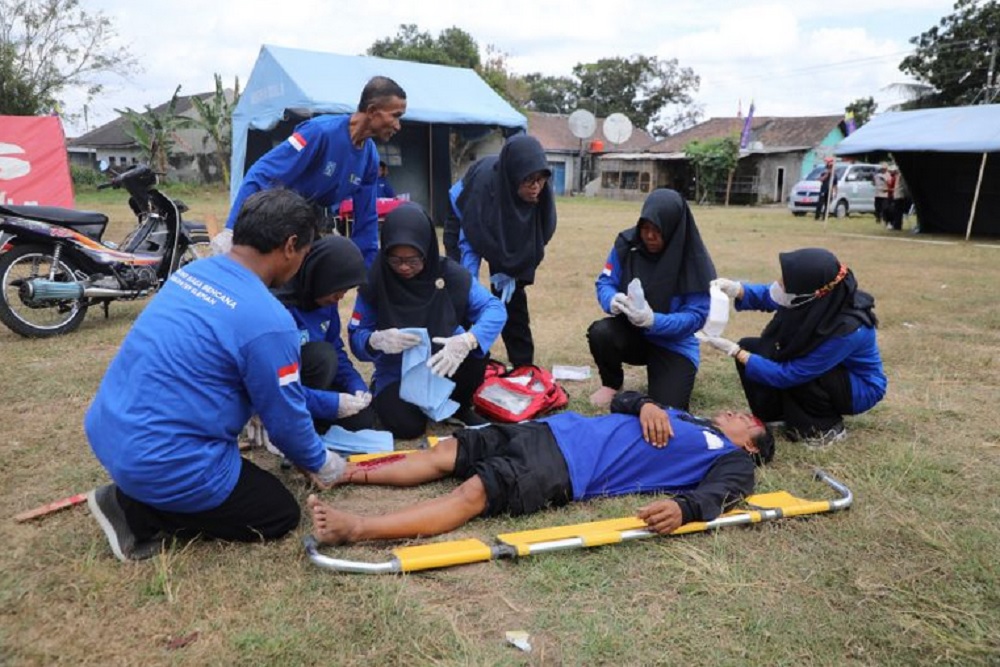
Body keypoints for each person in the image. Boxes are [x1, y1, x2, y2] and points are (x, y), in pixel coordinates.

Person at [85, 189, 345, 562]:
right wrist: (323, 462)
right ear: (290, 246)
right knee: (279, 512)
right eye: (305, 253)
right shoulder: (270, 320)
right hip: (158, 457)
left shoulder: (194, 272)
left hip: (109, 429)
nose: (302, 262)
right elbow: (286, 422)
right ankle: (136, 512)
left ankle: (141, 490)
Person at [306, 391, 774, 545]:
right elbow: (619, 399)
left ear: (752, 446)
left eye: (747, 421)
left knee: (469, 495)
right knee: (443, 452)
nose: (736, 415)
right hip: (550, 430)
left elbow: (723, 494)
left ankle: (358, 528)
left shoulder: (731, 459)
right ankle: (344, 474)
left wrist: (685, 508)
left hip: (567, 469)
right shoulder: (687, 417)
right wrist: (647, 403)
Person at [349, 202, 507, 439]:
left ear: (428, 250)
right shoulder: (375, 279)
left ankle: (459, 406)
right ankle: (400, 397)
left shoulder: (450, 274)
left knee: (476, 351)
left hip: (444, 360)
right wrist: (374, 340)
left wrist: (468, 340)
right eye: (395, 259)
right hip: (396, 370)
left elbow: (494, 308)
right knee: (406, 428)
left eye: (413, 260)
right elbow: (356, 336)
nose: (403, 267)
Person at [217, 76, 407, 266]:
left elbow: (367, 217)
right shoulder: (319, 132)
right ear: (372, 111)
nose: (398, 126)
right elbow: (262, 173)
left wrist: (367, 271)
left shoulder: (370, 157)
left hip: (315, 229)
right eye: (395, 116)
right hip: (279, 224)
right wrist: (232, 229)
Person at [707, 248, 887, 448]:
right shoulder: (818, 298)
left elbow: (792, 374)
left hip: (857, 388)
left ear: (810, 292)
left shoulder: (848, 329)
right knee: (755, 347)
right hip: (822, 369)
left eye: (785, 282)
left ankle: (823, 429)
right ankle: (775, 416)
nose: (779, 284)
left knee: (798, 367)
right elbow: (772, 296)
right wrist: (737, 289)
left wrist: (736, 352)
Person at [587, 188, 716, 411]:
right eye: (645, 228)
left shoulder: (693, 260)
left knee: (667, 409)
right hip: (635, 334)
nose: (649, 236)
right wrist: (612, 299)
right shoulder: (628, 244)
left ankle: (669, 377)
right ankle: (611, 384)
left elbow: (696, 317)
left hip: (674, 345)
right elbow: (605, 282)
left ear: (673, 229)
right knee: (601, 332)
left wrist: (653, 321)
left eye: (657, 230)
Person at [444, 134, 557, 368]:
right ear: (513, 178)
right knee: (462, 290)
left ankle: (523, 366)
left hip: (504, 222)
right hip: (465, 216)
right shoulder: (483, 194)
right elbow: (470, 248)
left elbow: (534, 242)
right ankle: (464, 361)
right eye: (528, 181)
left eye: (540, 179)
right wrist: (468, 289)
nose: (536, 187)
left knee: (511, 295)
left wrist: (510, 271)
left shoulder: (540, 197)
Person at [273, 235, 374, 434]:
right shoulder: (279, 308)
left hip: (312, 385)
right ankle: (291, 420)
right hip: (283, 385)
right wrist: (331, 403)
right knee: (323, 355)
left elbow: (336, 347)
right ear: (320, 278)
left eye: (346, 291)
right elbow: (274, 382)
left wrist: (355, 384)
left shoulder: (326, 302)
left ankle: (311, 416)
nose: (340, 297)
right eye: (337, 289)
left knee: (362, 418)